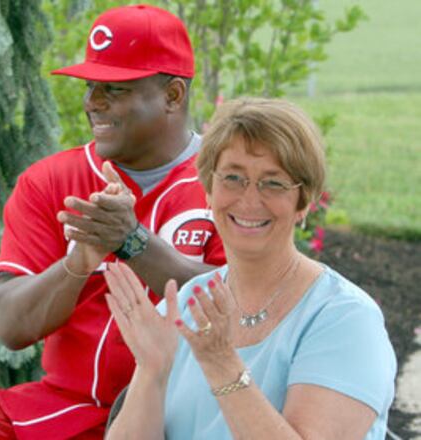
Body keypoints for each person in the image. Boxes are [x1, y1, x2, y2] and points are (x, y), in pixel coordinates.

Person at [0, 5, 226, 438]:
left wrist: (133, 243)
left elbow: (254, 305)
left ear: (173, 95)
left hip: (193, 414)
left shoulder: (230, 182)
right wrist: (77, 264)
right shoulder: (51, 182)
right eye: (90, 86)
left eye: (114, 88)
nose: (92, 103)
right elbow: (10, 325)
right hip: (69, 408)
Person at [104, 97, 396, 439]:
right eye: (232, 178)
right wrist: (151, 372)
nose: (249, 199)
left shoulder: (344, 319)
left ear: (303, 203)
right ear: (209, 192)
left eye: (273, 182)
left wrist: (221, 363)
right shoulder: (184, 305)